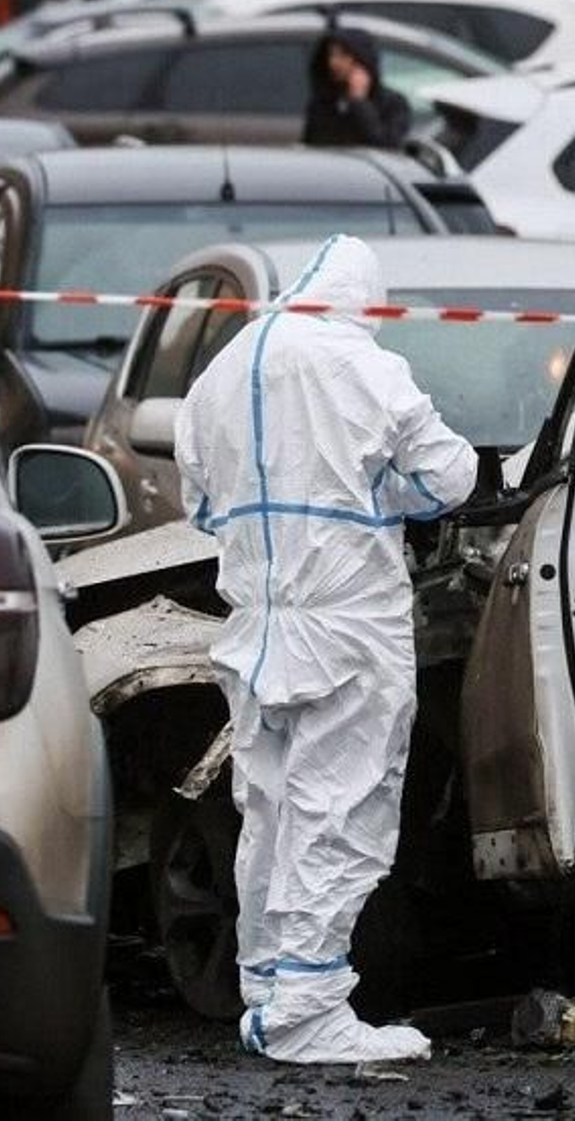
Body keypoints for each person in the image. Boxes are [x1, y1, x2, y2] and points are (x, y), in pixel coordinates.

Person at [175, 235, 477, 1065]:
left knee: (269, 814)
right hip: (349, 621)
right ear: (366, 303)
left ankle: (267, 990)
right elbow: (450, 477)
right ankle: (308, 1010)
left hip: (256, 626)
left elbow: (198, 504)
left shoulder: (223, 372)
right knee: (339, 813)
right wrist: (378, 494)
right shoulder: (362, 364)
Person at [302, 27, 411, 149]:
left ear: (362, 60)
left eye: (343, 55)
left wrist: (359, 102)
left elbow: (386, 145)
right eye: (331, 55)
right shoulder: (323, 102)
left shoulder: (392, 103)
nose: (334, 62)